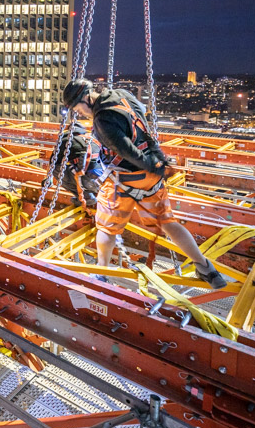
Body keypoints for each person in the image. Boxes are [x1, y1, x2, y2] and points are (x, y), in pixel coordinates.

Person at [62, 78, 227, 289]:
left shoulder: (102, 120)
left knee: (106, 227)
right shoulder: (123, 95)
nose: (82, 114)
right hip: (151, 179)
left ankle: (101, 272)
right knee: (168, 222)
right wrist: (157, 161)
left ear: (86, 98)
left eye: (79, 109)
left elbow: (126, 150)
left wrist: (149, 163)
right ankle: (206, 268)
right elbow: (143, 125)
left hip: (123, 181)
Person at [55, 121, 105, 210]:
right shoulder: (93, 138)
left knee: (57, 169)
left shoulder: (67, 140)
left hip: (88, 181)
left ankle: (86, 196)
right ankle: (91, 192)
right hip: (103, 182)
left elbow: (54, 162)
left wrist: (47, 179)